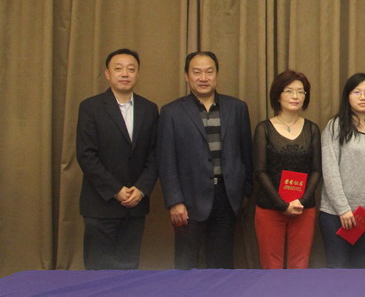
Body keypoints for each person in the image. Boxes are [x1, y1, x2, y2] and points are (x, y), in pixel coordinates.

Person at [157, 51, 253, 269]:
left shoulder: (237, 108)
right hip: (187, 200)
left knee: (222, 265)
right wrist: (175, 201)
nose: (203, 78)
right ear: (186, 76)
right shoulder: (171, 112)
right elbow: (166, 160)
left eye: (209, 72)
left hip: (227, 198)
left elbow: (246, 153)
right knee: (186, 266)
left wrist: (245, 192)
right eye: (197, 72)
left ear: (217, 75)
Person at [75, 48, 159, 270]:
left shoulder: (149, 109)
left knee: (128, 273)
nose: (125, 74)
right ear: (107, 73)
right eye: (118, 69)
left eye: (131, 69)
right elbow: (86, 155)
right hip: (100, 205)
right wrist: (116, 190)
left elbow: (155, 154)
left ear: (138, 74)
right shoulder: (90, 107)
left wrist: (141, 189)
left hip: (135, 206)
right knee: (98, 273)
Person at [319, 73, 365, 268]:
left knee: (362, 271)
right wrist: (343, 209)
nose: (363, 97)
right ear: (347, 96)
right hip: (336, 214)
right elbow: (330, 169)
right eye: (357, 92)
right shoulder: (335, 126)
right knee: (338, 271)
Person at [253, 70, 321, 269]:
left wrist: (302, 201)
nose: (295, 96)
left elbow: (316, 170)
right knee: (271, 267)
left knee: (299, 266)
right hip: (270, 207)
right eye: (289, 91)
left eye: (301, 92)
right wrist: (281, 204)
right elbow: (260, 171)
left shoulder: (312, 129)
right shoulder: (264, 129)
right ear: (278, 95)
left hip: (303, 208)